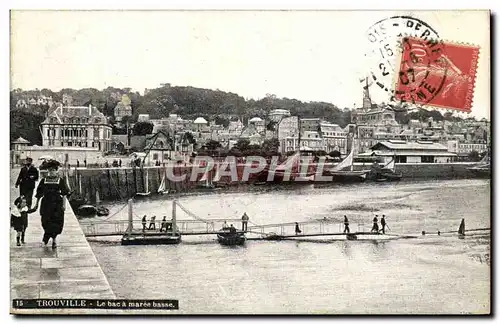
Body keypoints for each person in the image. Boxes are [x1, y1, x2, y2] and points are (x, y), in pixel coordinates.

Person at [33, 159, 71, 249]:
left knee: (56, 222)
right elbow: (39, 194)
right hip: (46, 203)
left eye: (53, 170)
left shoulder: (60, 180)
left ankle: (53, 240)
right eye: (50, 170)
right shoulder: (44, 180)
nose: (51, 172)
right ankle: (46, 237)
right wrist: (36, 204)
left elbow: (64, 193)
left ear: (56, 171)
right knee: (45, 221)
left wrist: (64, 205)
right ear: (48, 171)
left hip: (57, 203)